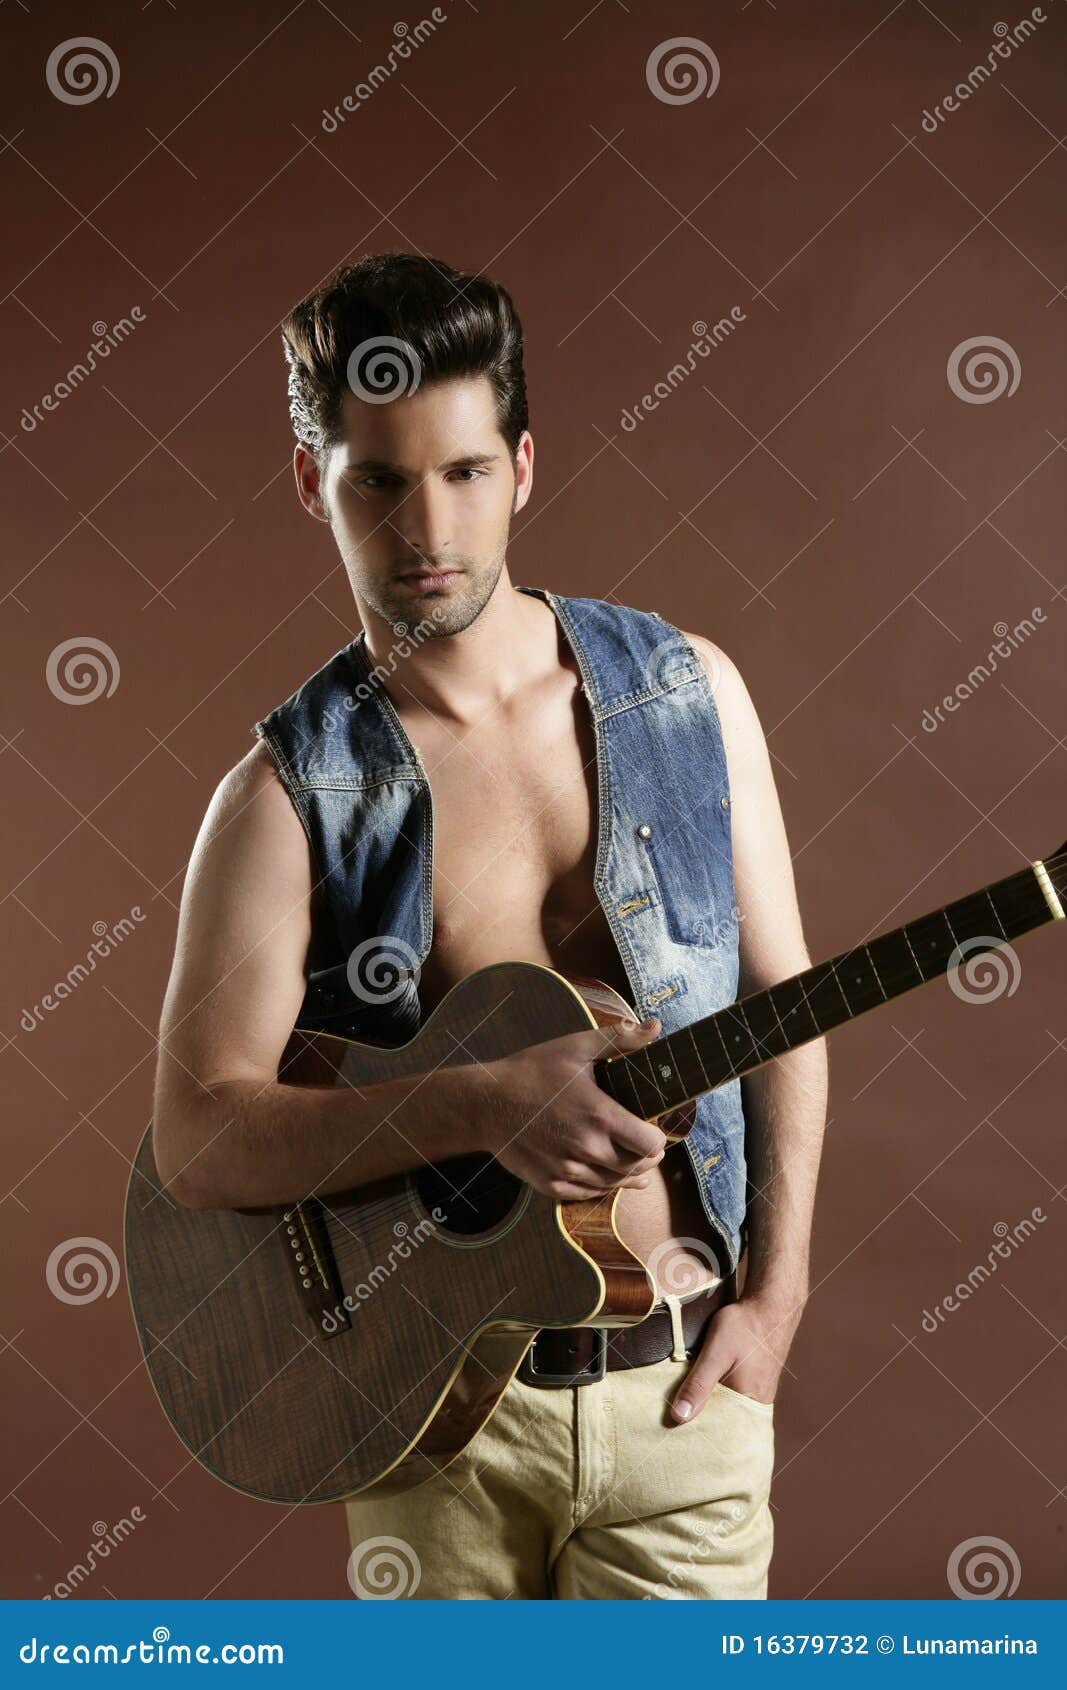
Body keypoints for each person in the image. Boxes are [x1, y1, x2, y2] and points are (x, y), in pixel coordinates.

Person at [152, 252, 828, 1600]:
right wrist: (476, 1104)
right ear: (315, 486)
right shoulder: (284, 797)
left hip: (683, 1399)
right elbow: (198, 1134)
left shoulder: (691, 696)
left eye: (463, 473)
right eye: (380, 482)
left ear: (522, 467)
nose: (427, 532)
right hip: (431, 1424)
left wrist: (779, 1291)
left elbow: (785, 1007)